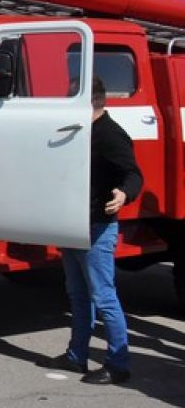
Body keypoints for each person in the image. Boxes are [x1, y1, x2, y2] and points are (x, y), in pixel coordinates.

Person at [54, 76, 143, 385]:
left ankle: (119, 364)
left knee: (104, 297)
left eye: (71, 97)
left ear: (88, 100)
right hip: (74, 226)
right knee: (78, 295)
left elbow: (133, 174)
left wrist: (123, 193)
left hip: (97, 228)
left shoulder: (110, 135)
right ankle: (77, 356)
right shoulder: (80, 132)